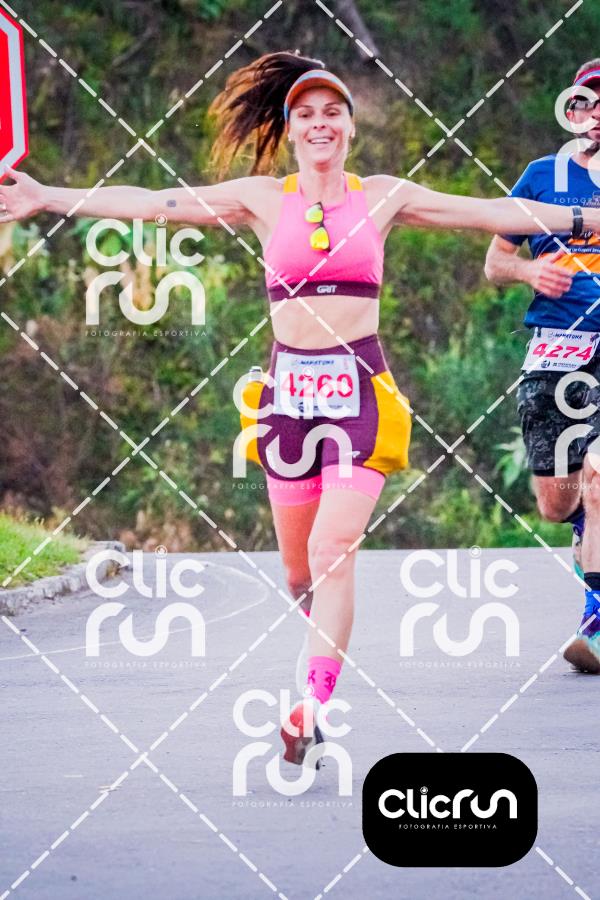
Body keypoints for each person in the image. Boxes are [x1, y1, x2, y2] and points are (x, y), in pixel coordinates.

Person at [3, 51, 600, 762]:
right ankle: (323, 639)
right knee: (299, 575)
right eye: (306, 114)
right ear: (290, 130)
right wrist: (48, 196)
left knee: (331, 552)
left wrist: (587, 217)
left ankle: (312, 705)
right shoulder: (262, 198)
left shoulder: (383, 196)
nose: (321, 123)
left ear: (350, 128)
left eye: (333, 113)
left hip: (361, 397)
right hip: (287, 401)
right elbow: (157, 202)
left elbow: (497, 214)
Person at [485, 59, 600, 676]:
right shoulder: (541, 177)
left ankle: (596, 618)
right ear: (574, 113)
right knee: (558, 503)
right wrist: (529, 270)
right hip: (557, 346)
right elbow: (495, 262)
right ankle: (586, 524)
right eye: (588, 101)